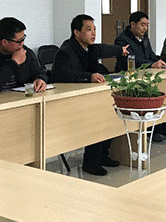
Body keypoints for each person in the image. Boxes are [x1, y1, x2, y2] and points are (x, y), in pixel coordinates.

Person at [52, 14, 129, 176]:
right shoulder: (66, 51)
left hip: (87, 95)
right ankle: (91, 162)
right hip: (70, 99)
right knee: (98, 116)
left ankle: (102, 156)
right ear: (76, 32)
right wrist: (89, 77)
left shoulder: (89, 47)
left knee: (110, 111)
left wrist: (120, 50)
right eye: (89, 30)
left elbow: (104, 49)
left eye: (94, 29)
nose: (93, 33)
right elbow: (60, 75)